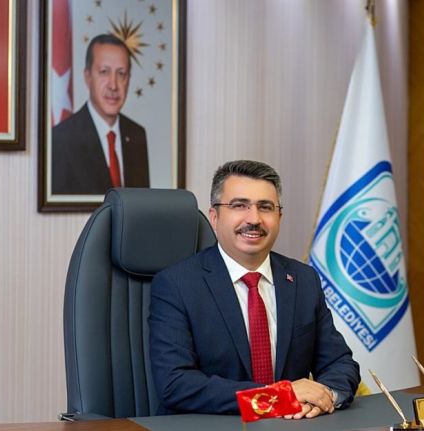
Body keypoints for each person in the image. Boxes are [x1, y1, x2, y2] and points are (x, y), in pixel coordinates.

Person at [149, 160, 360, 417]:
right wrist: (278, 397)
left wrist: (324, 396)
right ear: (215, 217)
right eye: (239, 205)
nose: (254, 219)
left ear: (279, 217)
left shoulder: (303, 279)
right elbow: (175, 383)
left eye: (265, 207)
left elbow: (339, 363)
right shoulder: (176, 284)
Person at [52, 34, 149, 195]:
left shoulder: (136, 135)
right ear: (88, 77)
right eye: (104, 72)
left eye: (121, 74)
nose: (113, 85)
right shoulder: (61, 139)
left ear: (128, 80)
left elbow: (141, 204)